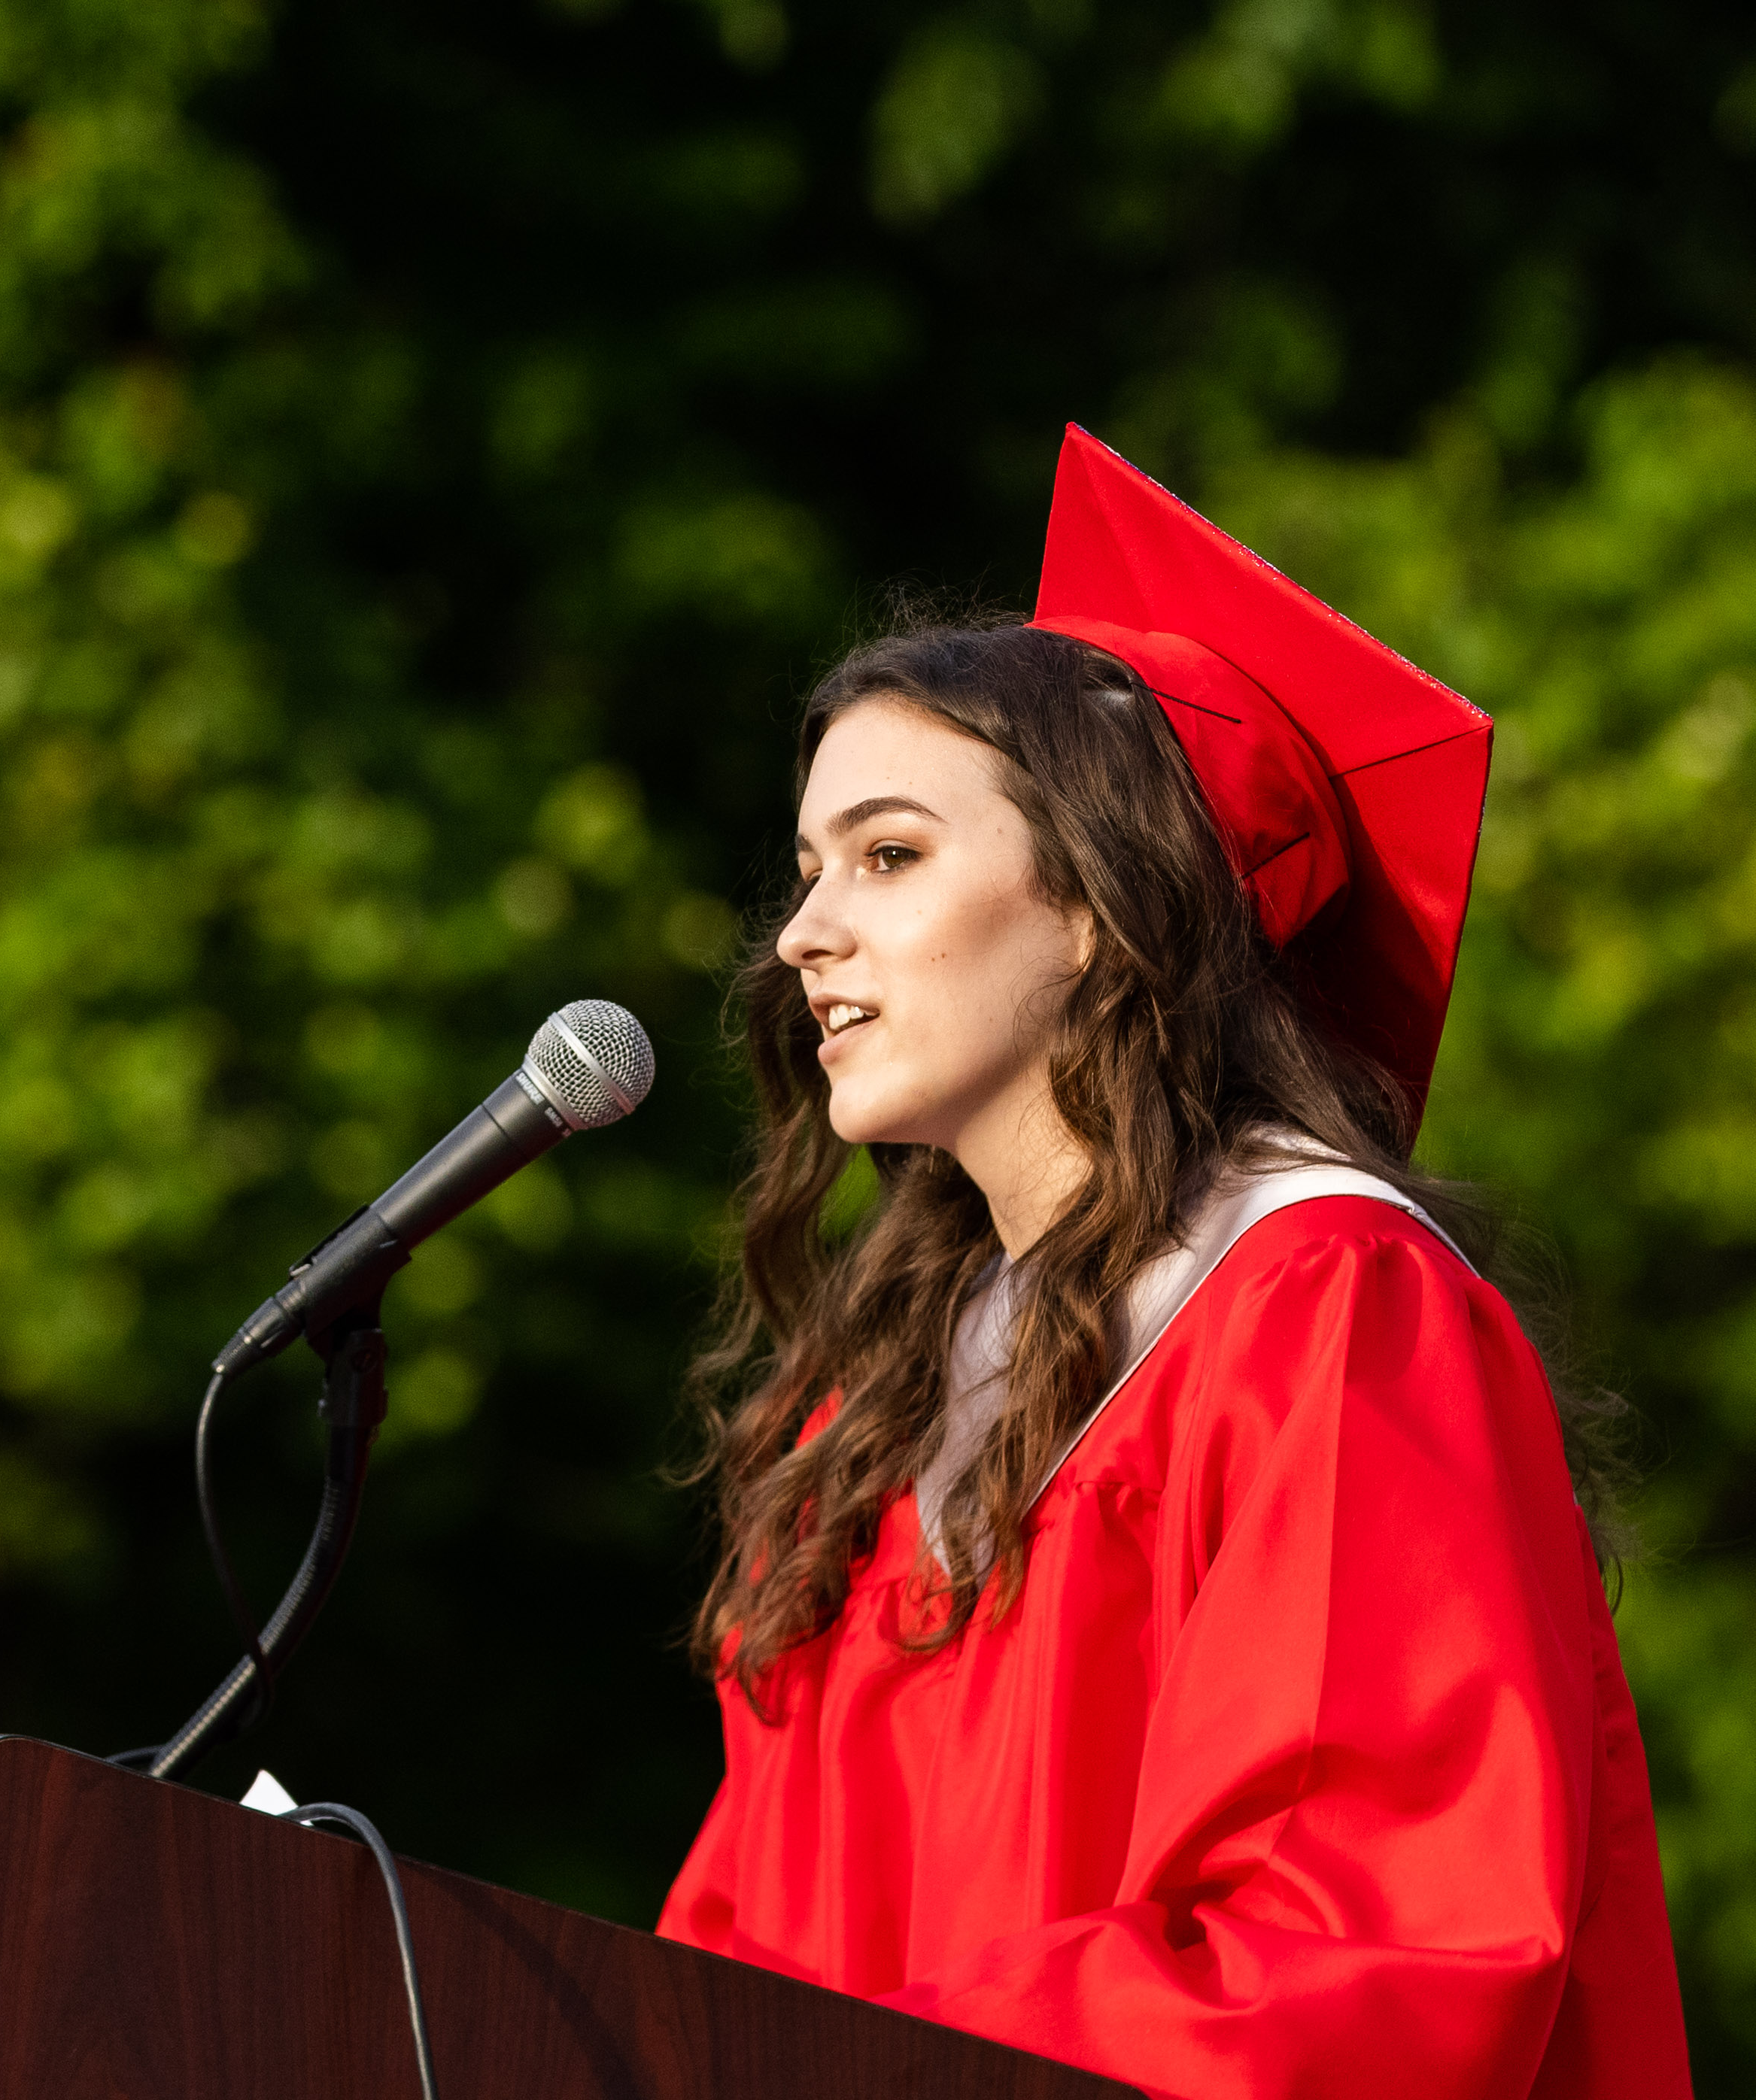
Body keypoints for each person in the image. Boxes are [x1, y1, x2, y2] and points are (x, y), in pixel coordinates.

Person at [655, 427, 1691, 2098]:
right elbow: (738, 1954)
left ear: (1099, 904)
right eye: (805, 870)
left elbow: (1360, 1952)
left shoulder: (1326, 1311)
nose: (801, 935)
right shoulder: (870, 1424)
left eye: (890, 854)